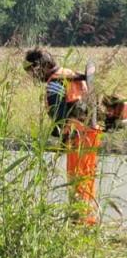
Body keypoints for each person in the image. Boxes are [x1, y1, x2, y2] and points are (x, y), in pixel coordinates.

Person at [23, 48, 100, 225]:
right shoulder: (71, 73)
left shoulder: (54, 84)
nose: (33, 76)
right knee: (86, 177)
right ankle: (87, 218)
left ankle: (80, 221)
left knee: (76, 179)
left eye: (33, 71)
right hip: (90, 132)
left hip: (77, 136)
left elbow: (59, 115)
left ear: (43, 66)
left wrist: (58, 136)